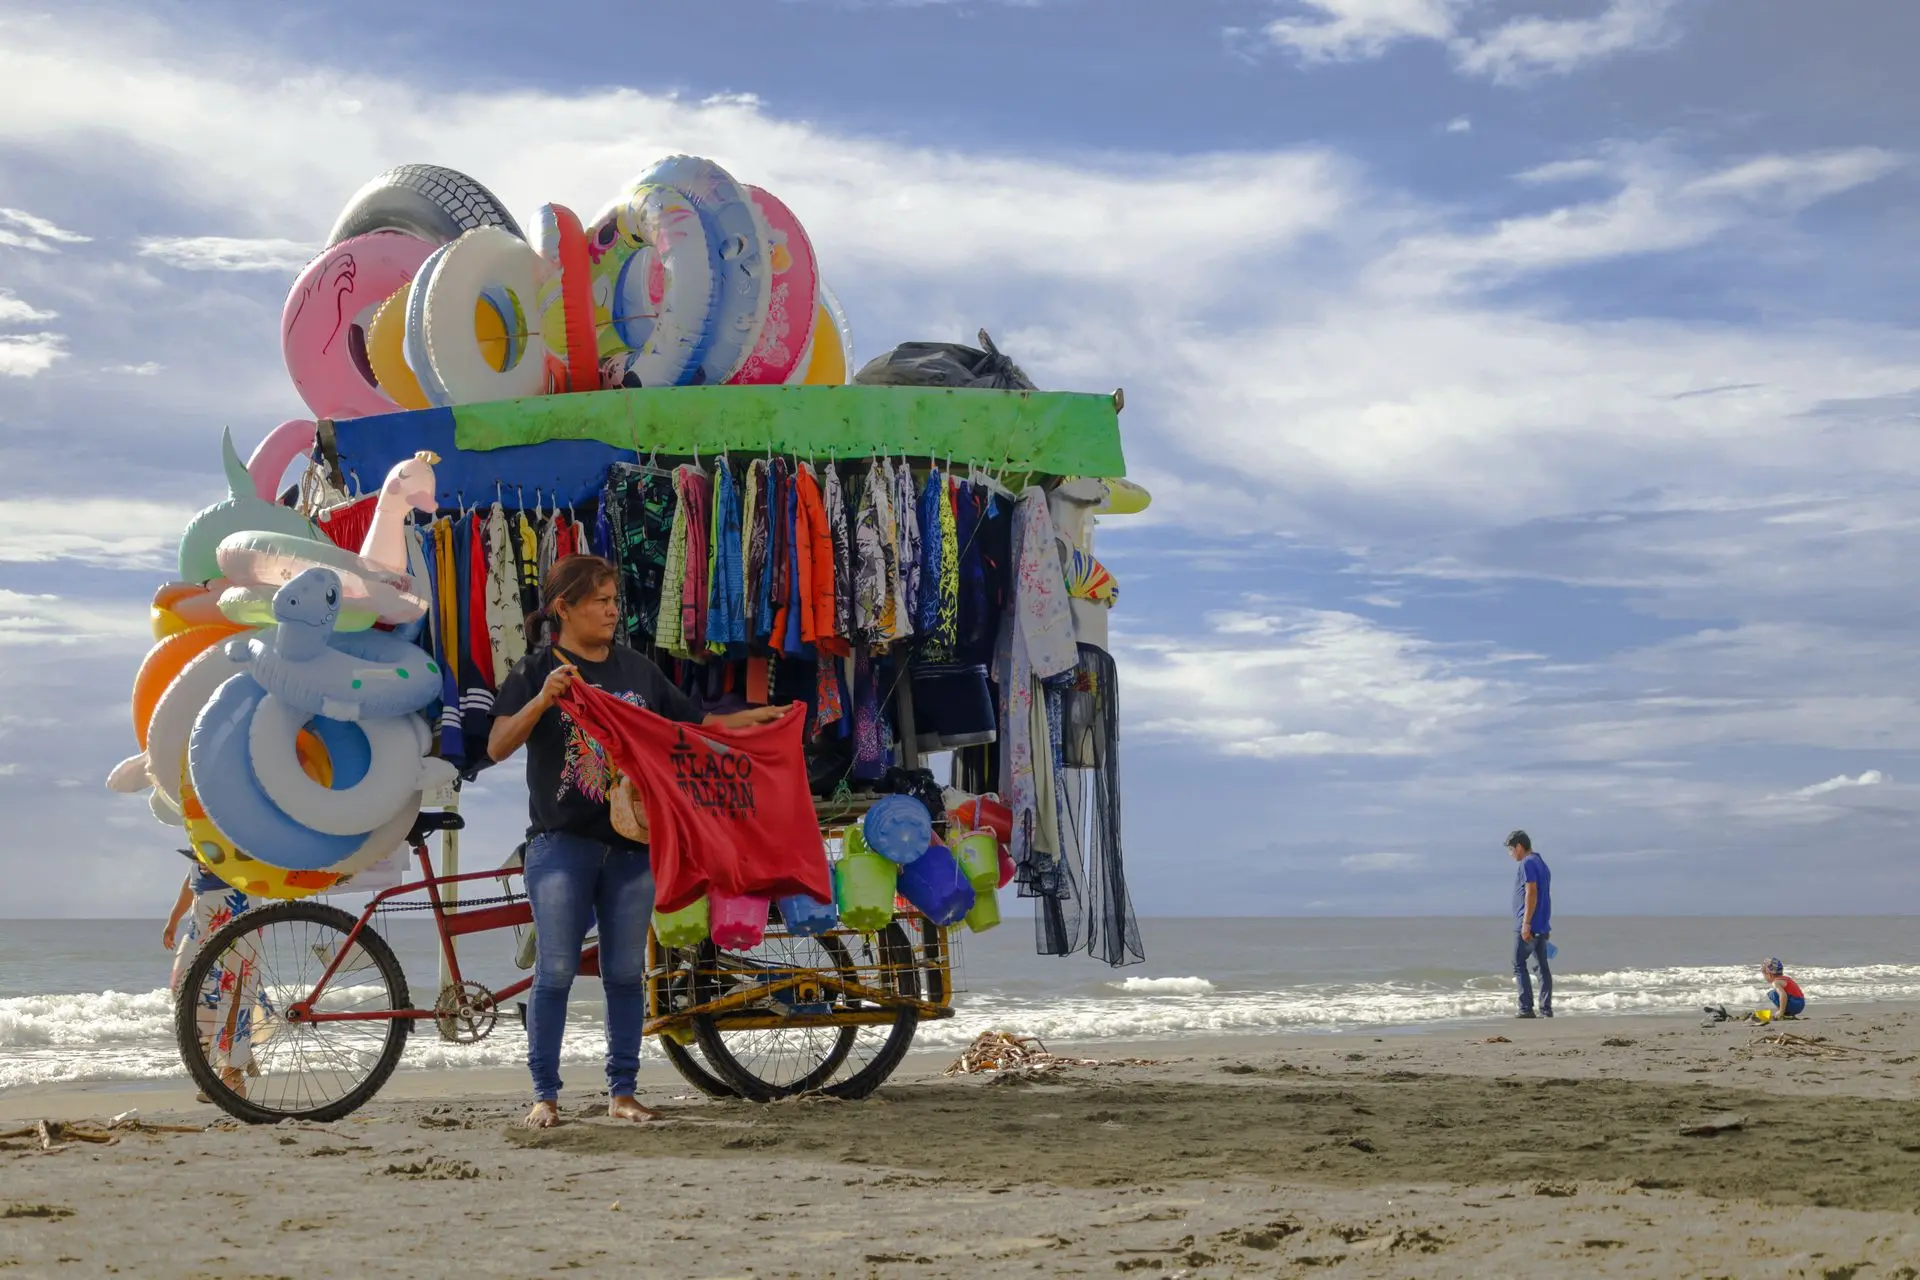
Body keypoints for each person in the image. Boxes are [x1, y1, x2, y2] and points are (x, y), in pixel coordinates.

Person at [488, 554, 783, 1130]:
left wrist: (760, 722)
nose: (612, 611)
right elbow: (497, 745)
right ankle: (545, 1097)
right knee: (556, 971)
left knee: (625, 974)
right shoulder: (537, 669)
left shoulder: (637, 670)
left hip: (634, 845)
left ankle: (622, 1093)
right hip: (561, 844)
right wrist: (543, 699)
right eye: (600, 601)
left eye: (614, 601)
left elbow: (692, 726)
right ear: (564, 608)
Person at [162, 860, 255, 1099]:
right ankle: (208, 1060)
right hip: (201, 918)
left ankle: (231, 1074)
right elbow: (190, 880)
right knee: (181, 985)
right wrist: (173, 920)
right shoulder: (200, 839)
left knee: (233, 991)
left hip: (237, 903)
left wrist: (224, 861)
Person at [1506, 829, 1552, 1019]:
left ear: (1519, 846)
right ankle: (1546, 1008)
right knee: (1541, 966)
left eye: (1511, 850)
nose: (1510, 854)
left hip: (1529, 924)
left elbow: (1531, 891)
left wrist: (1526, 924)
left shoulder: (1527, 863)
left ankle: (1526, 1008)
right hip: (1542, 925)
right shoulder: (1541, 862)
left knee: (1518, 963)